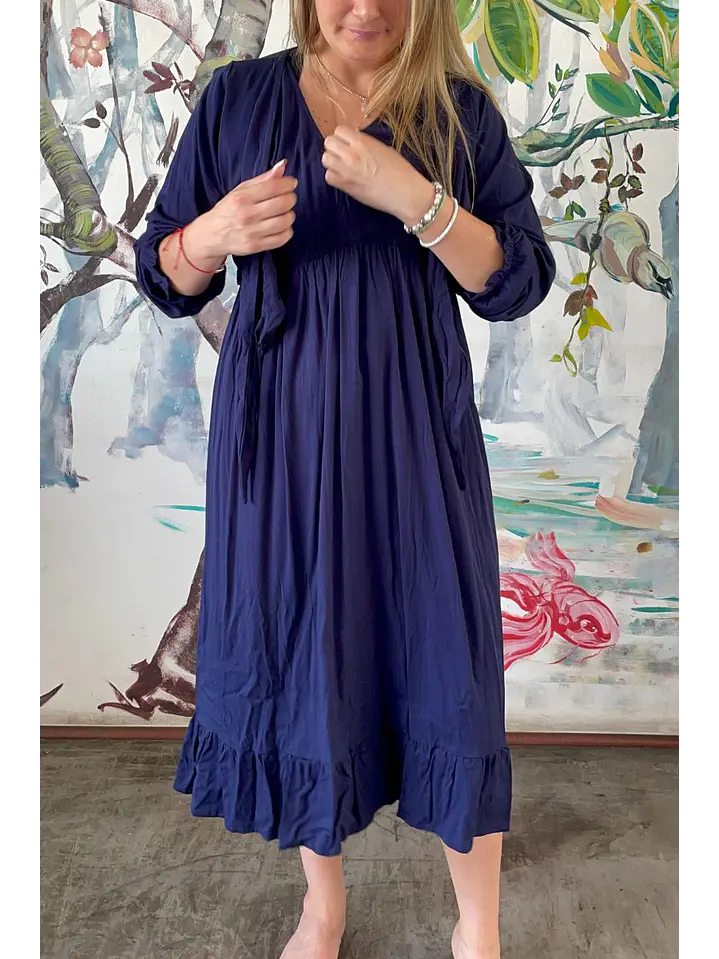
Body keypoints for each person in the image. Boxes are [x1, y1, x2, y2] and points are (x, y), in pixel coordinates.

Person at [135, 2, 555, 956]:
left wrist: (420, 202)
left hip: (416, 429)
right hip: (276, 434)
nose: (365, 7)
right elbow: (164, 273)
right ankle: (322, 905)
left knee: (448, 663)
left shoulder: (457, 111)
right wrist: (211, 235)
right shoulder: (238, 99)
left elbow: (518, 279)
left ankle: (478, 922)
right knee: (302, 654)